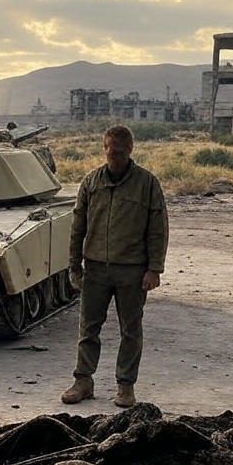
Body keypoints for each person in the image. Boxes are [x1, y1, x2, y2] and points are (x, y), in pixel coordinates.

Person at [61, 125, 168, 409]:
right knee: (88, 328)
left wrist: (154, 268)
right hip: (95, 268)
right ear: (103, 148)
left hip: (132, 270)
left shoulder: (147, 184)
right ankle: (83, 381)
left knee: (130, 330)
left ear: (130, 150)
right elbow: (77, 226)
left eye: (118, 151)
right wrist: (74, 265)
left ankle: (125, 386)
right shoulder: (91, 182)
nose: (113, 156)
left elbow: (158, 228)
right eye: (108, 149)